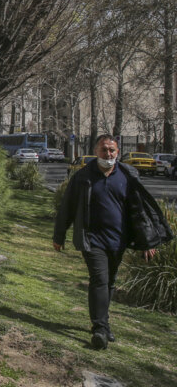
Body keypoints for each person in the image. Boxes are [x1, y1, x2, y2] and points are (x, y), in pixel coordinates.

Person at [54, 134, 173, 350]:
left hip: (118, 240)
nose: (108, 154)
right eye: (104, 150)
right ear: (96, 151)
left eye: (112, 150)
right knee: (99, 278)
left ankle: (104, 323)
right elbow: (67, 208)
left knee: (109, 282)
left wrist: (147, 242)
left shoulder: (127, 176)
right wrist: (59, 236)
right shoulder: (83, 177)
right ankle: (99, 328)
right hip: (91, 240)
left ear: (117, 152)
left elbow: (139, 212)